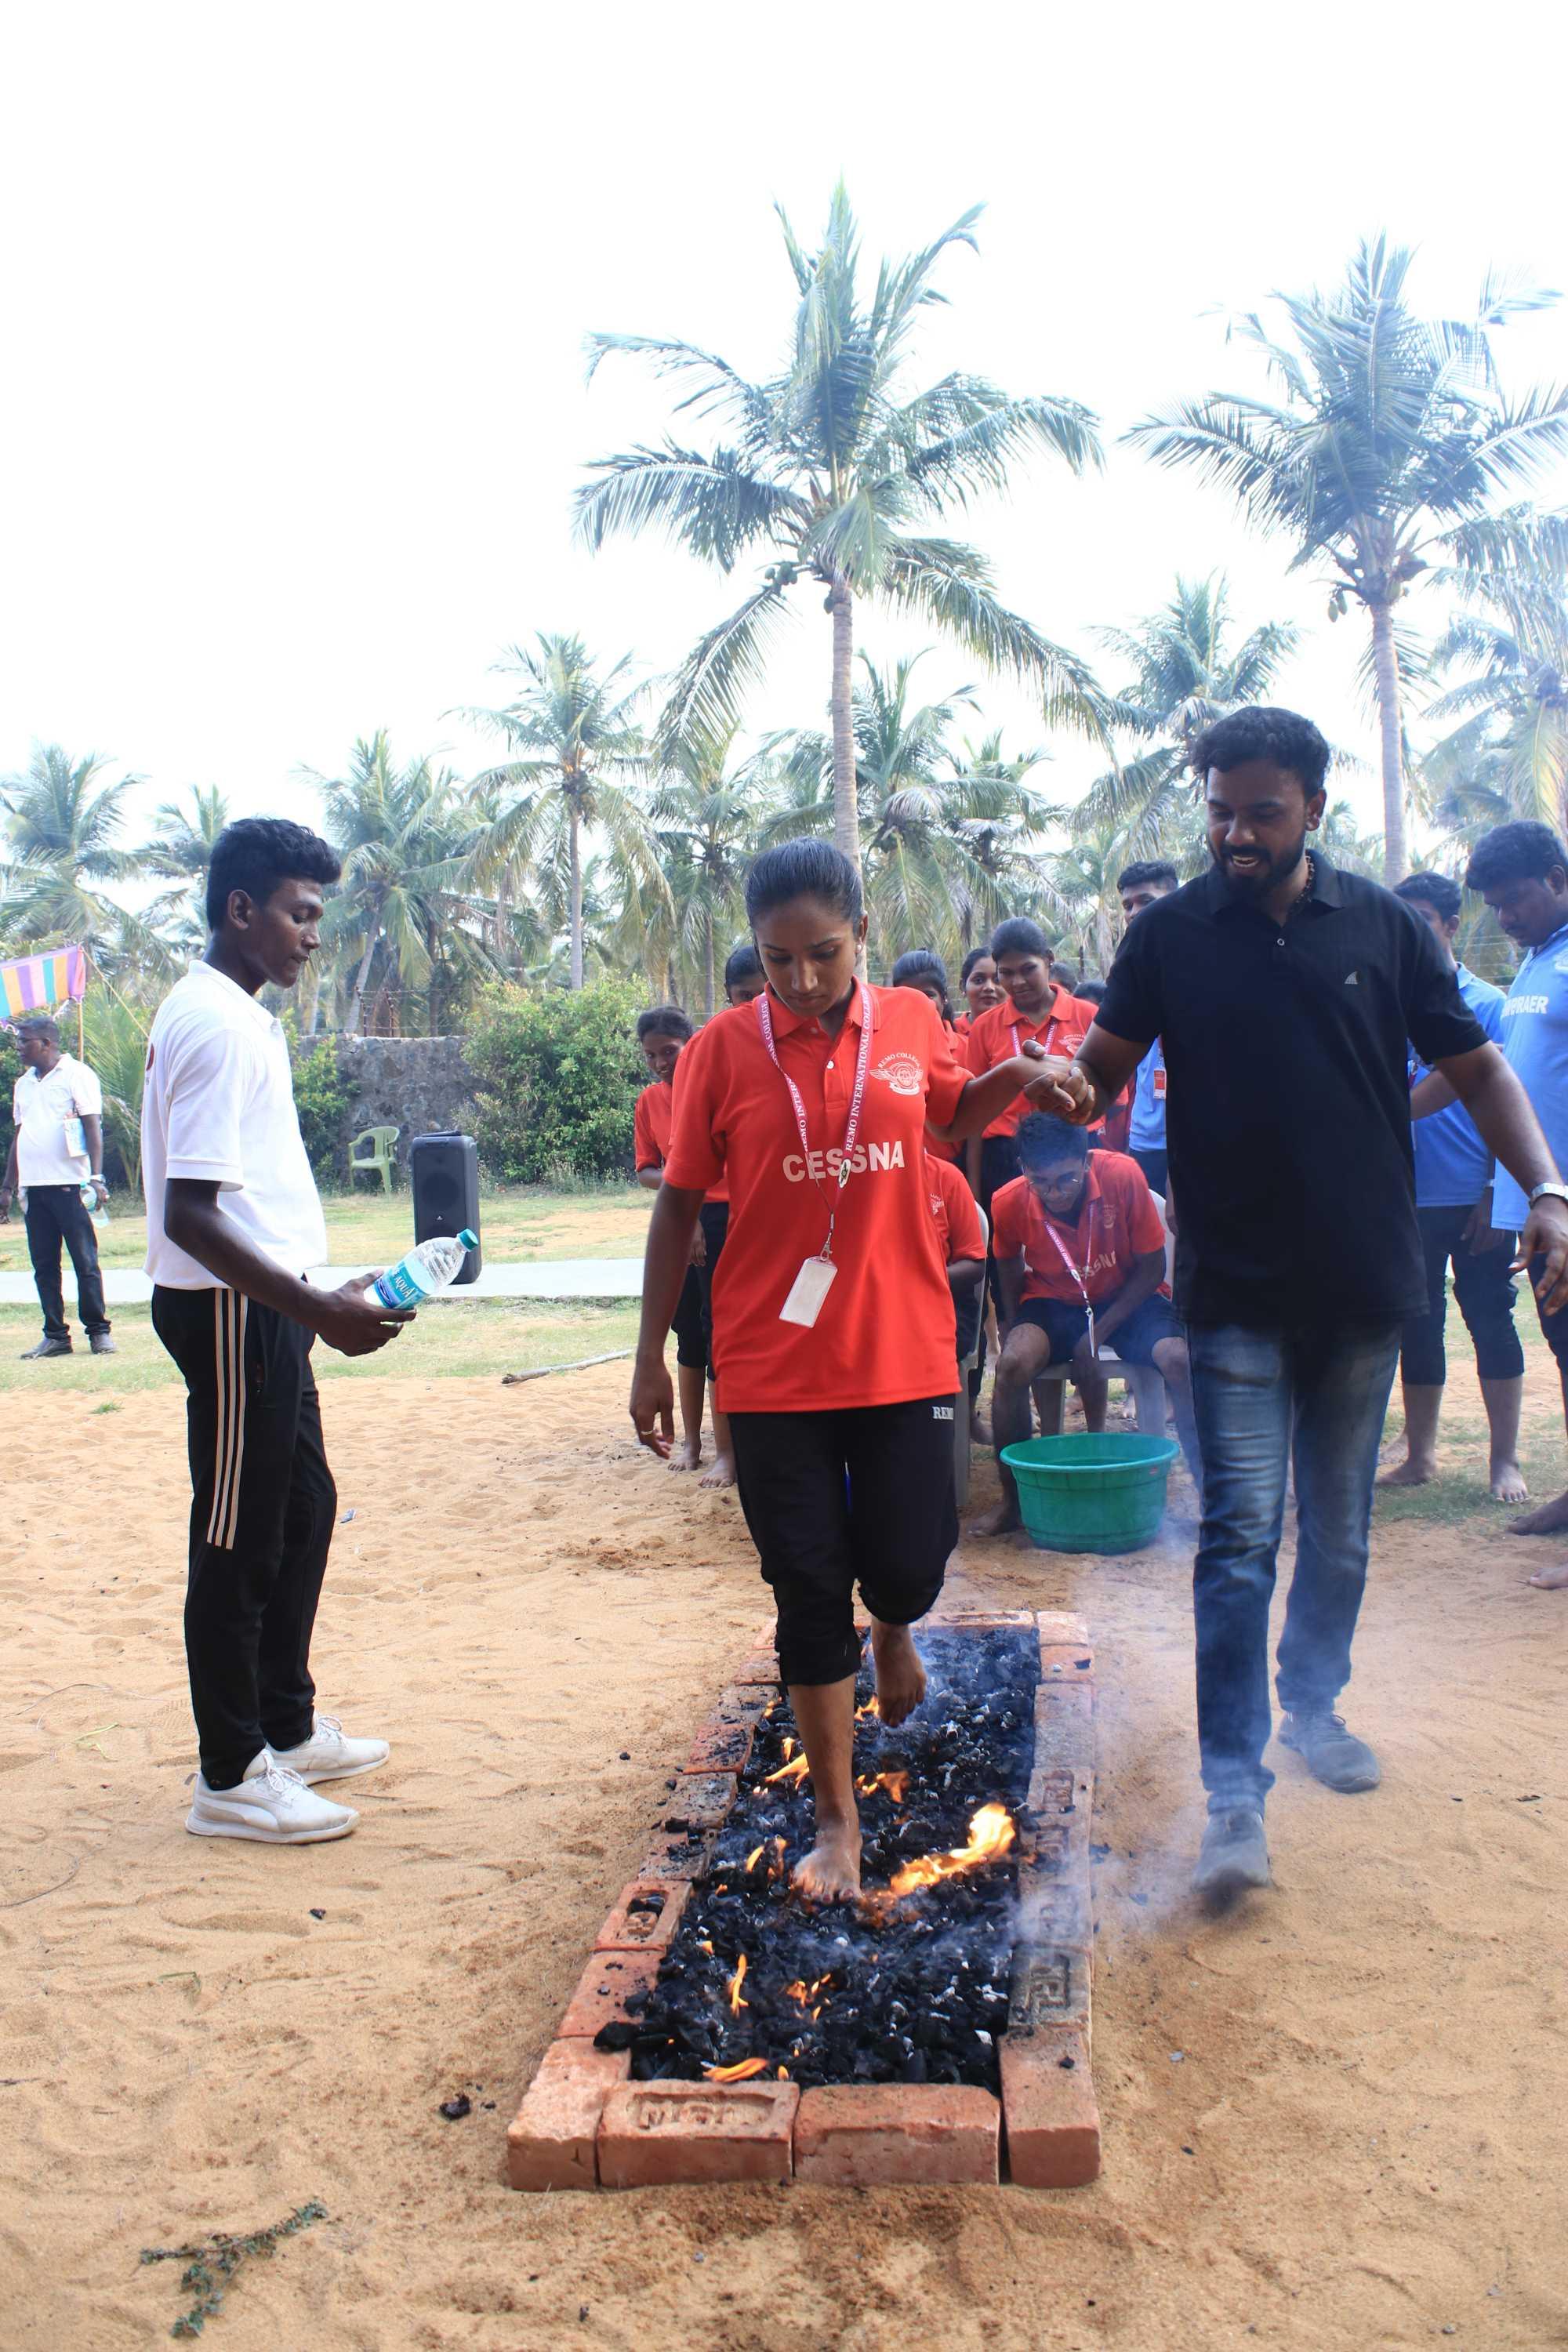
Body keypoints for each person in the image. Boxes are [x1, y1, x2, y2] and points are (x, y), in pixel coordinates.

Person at [1038, 706, 1568, 1902]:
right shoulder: (1172, 934)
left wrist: (1546, 1186)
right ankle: (1234, 1795)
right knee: (1235, 1543)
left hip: (1364, 1284)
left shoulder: (1381, 925)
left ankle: (1313, 1707)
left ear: (1312, 810)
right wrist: (1045, 1081)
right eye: (1219, 809)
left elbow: (1478, 1067)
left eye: (1260, 812)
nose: (1234, 832)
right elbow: (1101, 1076)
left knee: (1338, 1529)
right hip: (1231, 1294)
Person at [630, 838, 1069, 1902]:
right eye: (779, 960)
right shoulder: (722, 1053)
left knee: (911, 1558)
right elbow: (679, 1205)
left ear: (860, 935)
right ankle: (838, 1824)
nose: (802, 981)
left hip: (907, 1351)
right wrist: (649, 1357)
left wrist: (1027, 1074)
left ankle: (898, 1625)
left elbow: (955, 1116)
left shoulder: (914, 1023)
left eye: (823, 954)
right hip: (773, 1368)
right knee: (805, 1589)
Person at [142, 818, 413, 1846]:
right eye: (299, 914)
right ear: (240, 909)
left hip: (266, 1301)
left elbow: (239, 1204)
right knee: (237, 1533)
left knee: (302, 1505)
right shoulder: (212, 1024)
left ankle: (287, 1731)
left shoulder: (238, 1015)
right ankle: (229, 1774)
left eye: (317, 916)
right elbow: (190, 1215)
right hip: (225, 1310)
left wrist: (311, 1286)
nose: (311, 935)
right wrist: (316, 1312)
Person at [971, 1115, 1198, 1536]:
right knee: (1013, 1366)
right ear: (1023, 1168)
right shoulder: (1009, 1200)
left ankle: (1210, 1494)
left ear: (1087, 1162)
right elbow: (1006, 1267)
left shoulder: (1123, 1175)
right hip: (1053, 1300)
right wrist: (1016, 1326)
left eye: (1066, 1180)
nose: (1054, 1193)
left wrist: (1094, 1336)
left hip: (1127, 1297)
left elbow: (1153, 1268)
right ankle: (1014, 1504)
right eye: (1041, 1181)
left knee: (1179, 1359)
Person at [1375, 873, 1524, 1503]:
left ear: (1452, 926)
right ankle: (1421, 1455)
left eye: (1424, 921)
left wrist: (1497, 1188)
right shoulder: (1383, 1001)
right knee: (1419, 1324)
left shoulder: (1486, 1002)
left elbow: (1510, 1099)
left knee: (1490, 1317)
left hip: (1473, 1194)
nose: (1411, 934)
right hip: (1405, 1196)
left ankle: (1505, 1463)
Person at [1460, 820, 1568, 1588]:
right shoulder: (1535, 962)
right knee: (1563, 1358)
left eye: (1516, 899)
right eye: (1494, 907)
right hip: (1536, 1212)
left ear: (1557, 878)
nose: (1504, 917)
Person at [633, 1006, 732, 1485]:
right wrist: (682, 1191)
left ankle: (727, 1451)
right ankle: (692, 1441)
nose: (659, 1063)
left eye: (668, 1052)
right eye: (650, 1055)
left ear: (691, 1045)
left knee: (721, 1337)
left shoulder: (716, 1087)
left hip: (724, 1218)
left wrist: (693, 1200)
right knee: (689, 1335)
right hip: (680, 1219)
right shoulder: (650, 1101)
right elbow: (648, 1168)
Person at [2, 1016, 115, 1358]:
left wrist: (97, 1177)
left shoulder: (77, 1075)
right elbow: (20, 1137)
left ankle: (98, 1332)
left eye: (25, 1041)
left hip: (72, 1187)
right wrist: (8, 1187)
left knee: (85, 1262)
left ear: (47, 1043)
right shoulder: (23, 1084)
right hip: (35, 1190)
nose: (18, 1047)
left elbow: (92, 1127)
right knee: (44, 1267)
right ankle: (55, 1336)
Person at [1117, 861, 1181, 1196]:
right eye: (1128, 905)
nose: (1133, 912)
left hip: (1191, 1142)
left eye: (1146, 901)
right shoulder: (1132, 978)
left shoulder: (1196, 971)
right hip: (1143, 1141)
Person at [892, 949, 963, 1164]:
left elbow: (973, 1127)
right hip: (903, 1167)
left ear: (945, 997)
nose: (918, 1004)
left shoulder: (966, 1048)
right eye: (907, 996)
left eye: (927, 996)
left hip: (955, 1168)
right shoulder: (883, 1051)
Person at [925, 1145, 986, 1367]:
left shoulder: (946, 1177)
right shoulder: (863, 1178)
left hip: (946, 1303)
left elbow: (975, 1265)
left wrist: (920, 1282)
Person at [956, 946, 1004, 1037]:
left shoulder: (1021, 1032)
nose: (989, 987)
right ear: (962, 986)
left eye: (997, 980)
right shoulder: (950, 1033)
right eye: (978, 980)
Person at [723, 942, 766, 1006]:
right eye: (747, 996)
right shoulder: (724, 1016)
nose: (757, 1004)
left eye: (764, 994)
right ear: (729, 992)